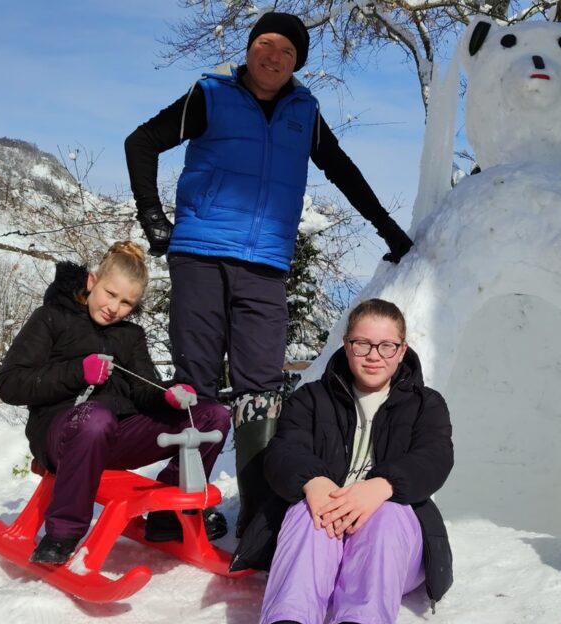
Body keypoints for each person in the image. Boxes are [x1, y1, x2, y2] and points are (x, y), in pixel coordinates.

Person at [124, 11, 415, 536]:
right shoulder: (210, 95)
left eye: (286, 48)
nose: (273, 54)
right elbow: (140, 142)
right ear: (250, 48)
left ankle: (260, 518)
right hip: (201, 255)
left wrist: (388, 230)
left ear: (297, 61)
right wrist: (153, 217)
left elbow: (343, 171)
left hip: (265, 265)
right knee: (197, 387)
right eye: (264, 42)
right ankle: (175, 508)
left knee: (261, 391)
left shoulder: (304, 111)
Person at [228, 299, 453, 624]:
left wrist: (383, 485)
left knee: (390, 513)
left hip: (392, 549)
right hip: (322, 537)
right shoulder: (311, 399)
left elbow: (435, 457)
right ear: (346, 345)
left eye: (386, 346)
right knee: (305, 510)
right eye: (362, 344)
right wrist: (313, 481)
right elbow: (284, 451)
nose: (373, 355)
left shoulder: (426, 404)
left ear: (401, 350)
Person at [0, 241, 230, 565]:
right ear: (92, 282)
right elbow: (9, 385)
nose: (114, 307)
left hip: (117, 434)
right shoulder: (52, 318)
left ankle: (169, 518)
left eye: (126, 303)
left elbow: (142, 390)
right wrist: (77, 372)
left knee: (211, 416)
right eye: (110, 294)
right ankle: (62, 535)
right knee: (95, 418)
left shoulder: (130, 336)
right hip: (59, 432)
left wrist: (168, 394)